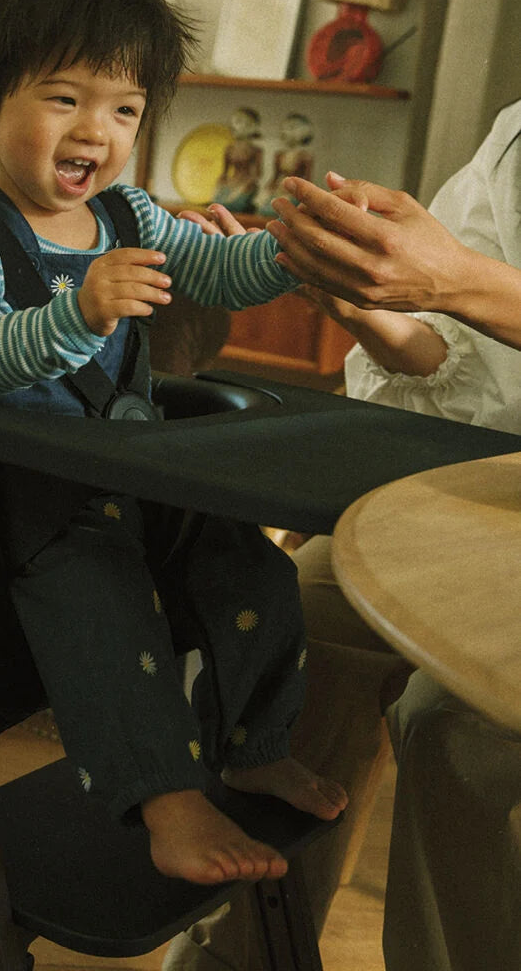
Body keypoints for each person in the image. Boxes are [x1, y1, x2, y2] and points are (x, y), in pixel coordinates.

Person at [0, 0, 347, 888]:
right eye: (64, 99)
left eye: (124, 108)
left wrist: (292, 250)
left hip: (139, 480)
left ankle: (254, 744)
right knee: (103, 606)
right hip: (33, 509)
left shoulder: (132, 215)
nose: (96, 132)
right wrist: (76, 312)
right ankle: (167, 800)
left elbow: (219, 270)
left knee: (257, 567)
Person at [165, 101, 521, 970]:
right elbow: (471, 368)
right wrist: (366, 304)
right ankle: (237, 958)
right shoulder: (516, 134)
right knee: (294, 624)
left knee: (454, 725)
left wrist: (460, 282)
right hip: (496, 483)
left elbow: (466, 288)